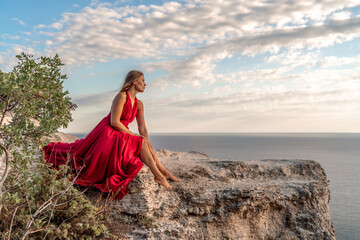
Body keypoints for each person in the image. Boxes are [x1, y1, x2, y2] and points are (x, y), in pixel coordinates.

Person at [42, 70, 180, 199]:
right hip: (109, 131)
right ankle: (159, 176)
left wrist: (146, 143)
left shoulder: (139, 104)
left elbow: (142, 127)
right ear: (134, 82)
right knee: (140, 141)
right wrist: (135, 136)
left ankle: (164, 172)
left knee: (145, 142)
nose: (145, 84)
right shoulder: (121, 96)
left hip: (122, 132)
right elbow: (114, 122)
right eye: (143, 80)